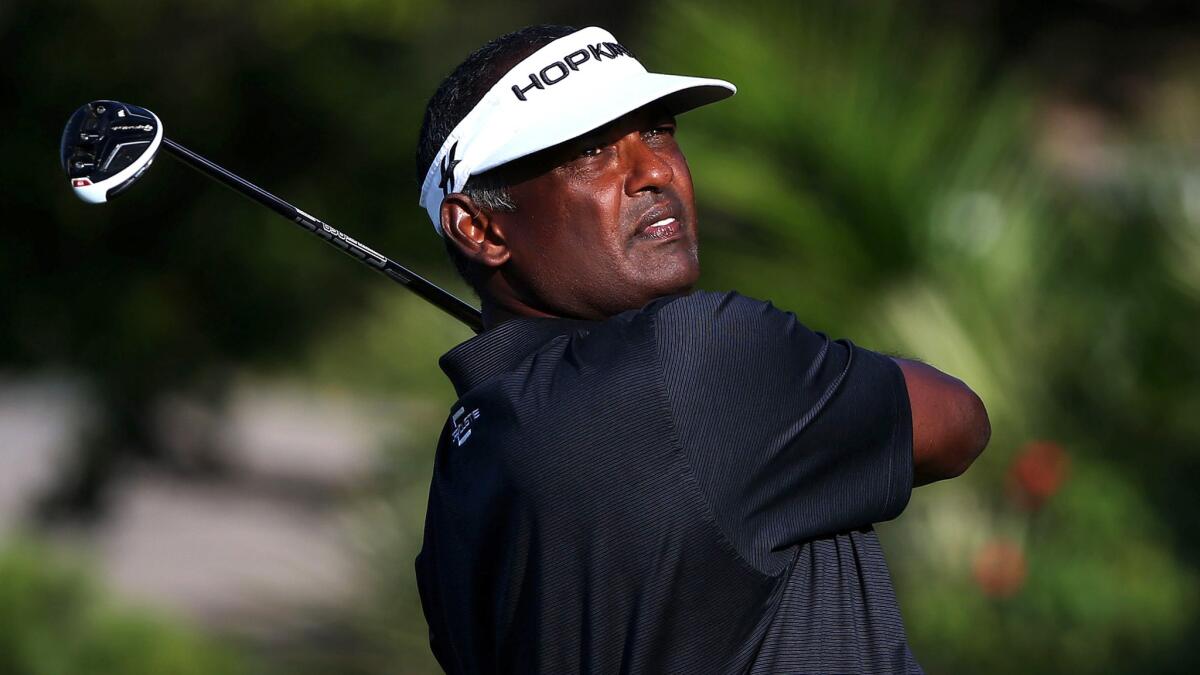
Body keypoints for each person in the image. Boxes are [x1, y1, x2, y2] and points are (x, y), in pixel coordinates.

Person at [413, 25, 990, 674]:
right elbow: (958, 421)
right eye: (591, 150)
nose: (654, 171)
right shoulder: (696, 354)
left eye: (657, 130)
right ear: (480, 227)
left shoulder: (459, 481)